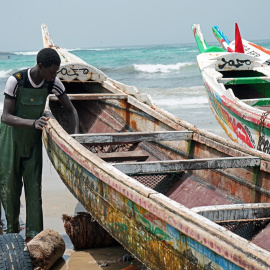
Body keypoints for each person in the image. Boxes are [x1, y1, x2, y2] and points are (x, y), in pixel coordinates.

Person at [0, 48, 79, 242]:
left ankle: (34, 236)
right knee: (10, 187)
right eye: (52, 71)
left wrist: (74, 136)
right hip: (10, 139)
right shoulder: (16, 80)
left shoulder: (53, 82)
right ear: (40, 66)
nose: (54, 75)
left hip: (33, 142)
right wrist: (33, 123)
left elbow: (70, 109)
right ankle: (12, 234)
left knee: (34, 189)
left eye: (56, 72)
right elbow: (6, 116)